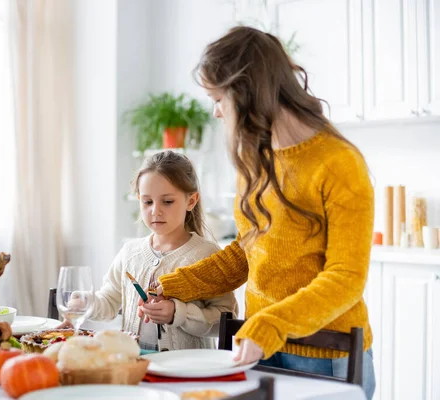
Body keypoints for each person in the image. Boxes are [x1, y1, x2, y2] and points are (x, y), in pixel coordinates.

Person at [139, 26, 376, 399]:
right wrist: (170, 284)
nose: (216, 112)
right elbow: (246, 254)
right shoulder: (255, 162)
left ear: (247, 92)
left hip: (327, 358)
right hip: (261, 348)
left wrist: (271, 324)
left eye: (218, 98)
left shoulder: (339, 163)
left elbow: (346, 278)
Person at [60, 150, 237, 352]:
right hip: (135, 365)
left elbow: (225, 319)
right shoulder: (130, 253)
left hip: (187, 372)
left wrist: (178, 313)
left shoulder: (208, 255)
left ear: (191, 201)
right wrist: (86, 302)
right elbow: (109, 302)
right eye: (147, 202)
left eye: (167, 201)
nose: (155, 211)